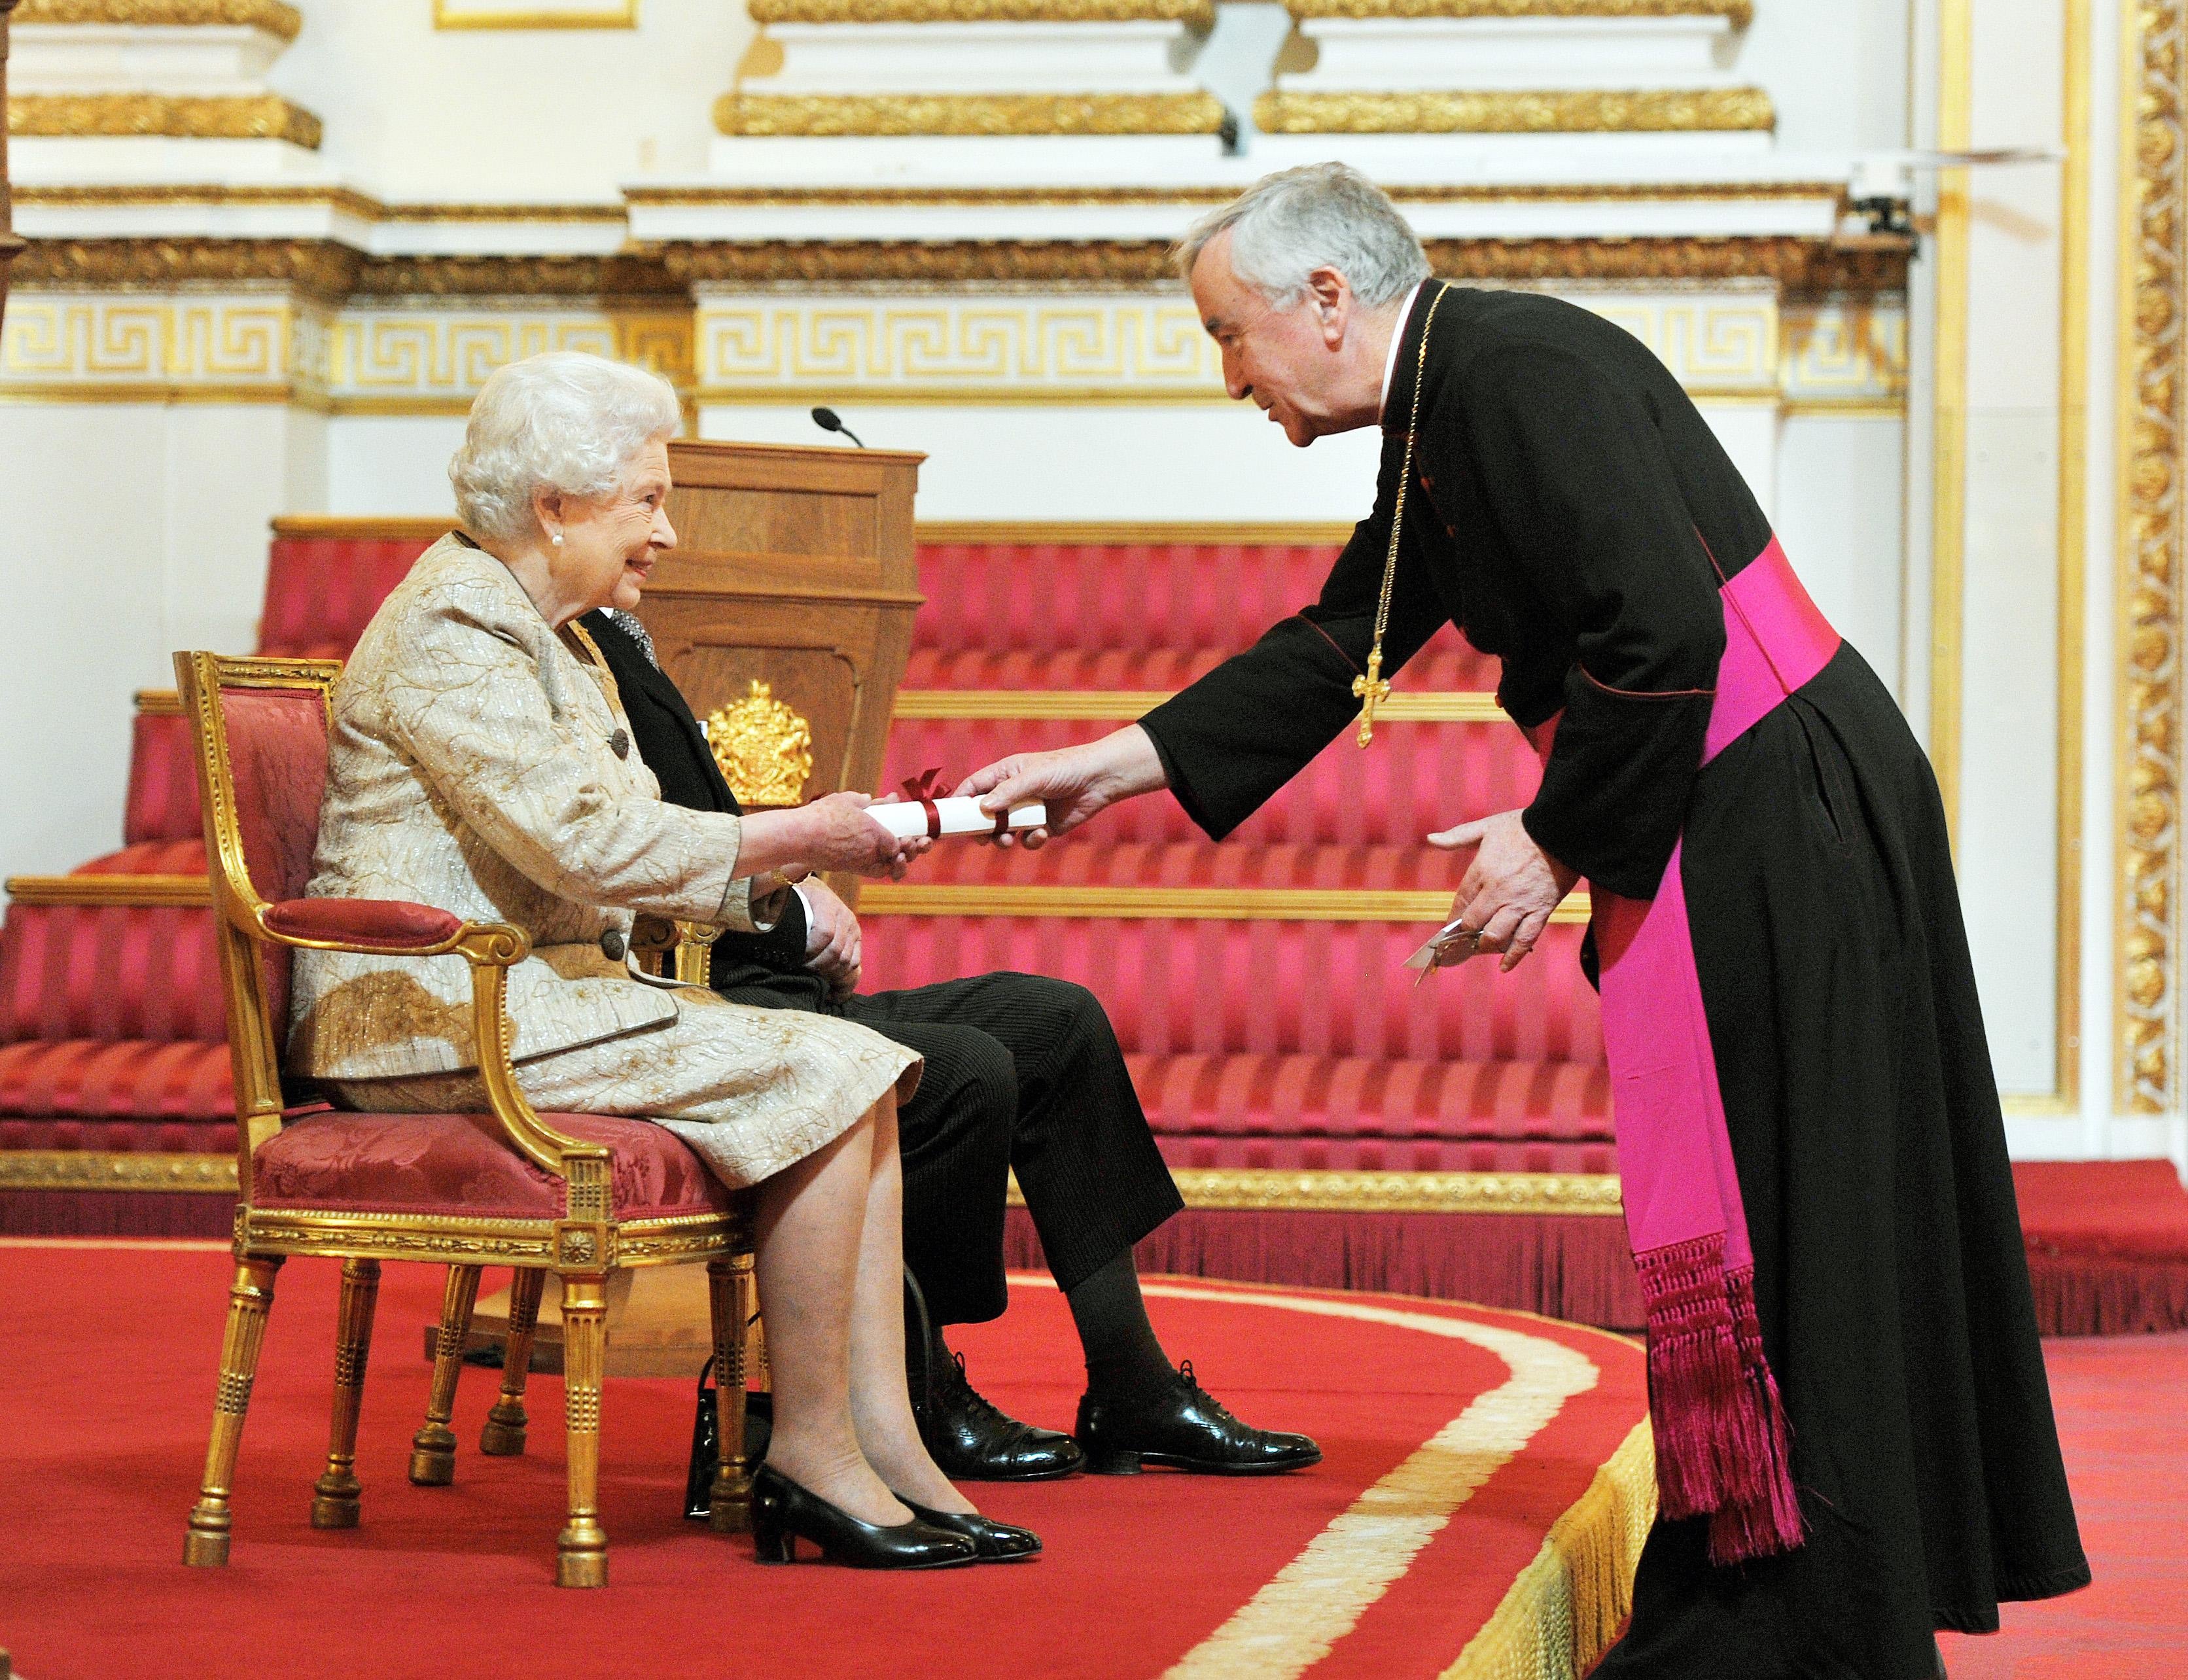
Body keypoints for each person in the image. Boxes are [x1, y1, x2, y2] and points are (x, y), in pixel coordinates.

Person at [953, 164, 2089, 1675]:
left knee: (1790, 1207)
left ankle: (1797, 1631)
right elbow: (1340, 637)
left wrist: (1551, 838)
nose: (1227, 375)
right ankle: (1774, 1604)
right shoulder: (1449, 397)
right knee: (1777, 1212)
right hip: (1732, 795)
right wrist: (1114, 767)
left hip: (1775, 807)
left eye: (1231, 334)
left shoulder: (1519, 372)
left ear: (1327, 303)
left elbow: (1663, 628)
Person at [285, 350, 1031, 1569]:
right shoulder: (457, 621)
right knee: (828, 1072)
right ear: (556, 507)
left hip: (529, 990)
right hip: (427, 1005)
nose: (668, 532)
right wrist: (807, 835)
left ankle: (886, 1444)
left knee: (865, 1069)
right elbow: (588, 838)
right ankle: (812, 1456)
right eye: (647, 500)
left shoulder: (558, 634)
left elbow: (609, 841)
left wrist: (800, 857)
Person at [580, 603, 1321, 1482]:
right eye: (643, 502)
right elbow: (632, 860)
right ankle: (915, 1391)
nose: (662, 532)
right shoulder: (563, 654)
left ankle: (1134, 1387)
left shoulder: (616, 636)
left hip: (770, 976)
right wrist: (800, 908)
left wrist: (878, 842)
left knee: (1060, 1022)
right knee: (965, 1069)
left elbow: (709, 840)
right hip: (705, 1002)